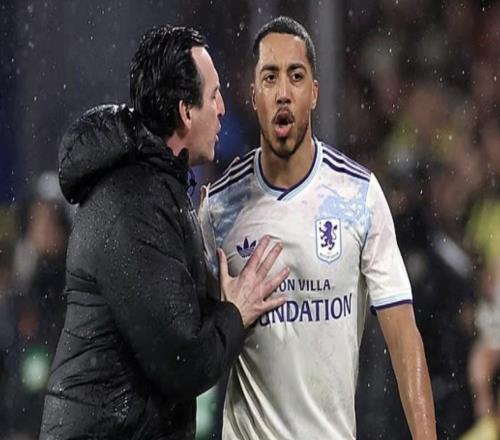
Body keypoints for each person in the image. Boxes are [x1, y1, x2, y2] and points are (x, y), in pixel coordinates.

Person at [39, 25, 289, 439]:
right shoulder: (132, 204)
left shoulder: (154, 188)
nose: (223, 109)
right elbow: (182, 361)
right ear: (186, 111)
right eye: (214, 95)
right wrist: (236, 311)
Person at [199, 16, 437, 439]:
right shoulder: (218, 209)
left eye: (296, 76)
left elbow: (404, 338)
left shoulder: (358, 196)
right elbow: (185, 347)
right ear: (253, 95)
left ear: (314, 92)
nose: (283, 92)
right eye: (270, 77)